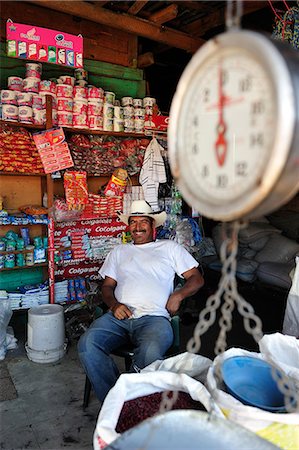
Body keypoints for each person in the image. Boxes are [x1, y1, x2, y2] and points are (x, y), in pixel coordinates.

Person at [78, 200, 204, 402]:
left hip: (154, 319)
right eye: (133, 222)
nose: (137, 227)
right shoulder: (119, 252)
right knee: (87, 345)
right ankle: (115, 400)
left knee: (150, 352)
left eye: (142, 222)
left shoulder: (169, 248)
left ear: (152, 225)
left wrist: (178, 295)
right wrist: (114, 305)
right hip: (118, 317)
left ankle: (135, 400)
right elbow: (107, 287)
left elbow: (196, 278)